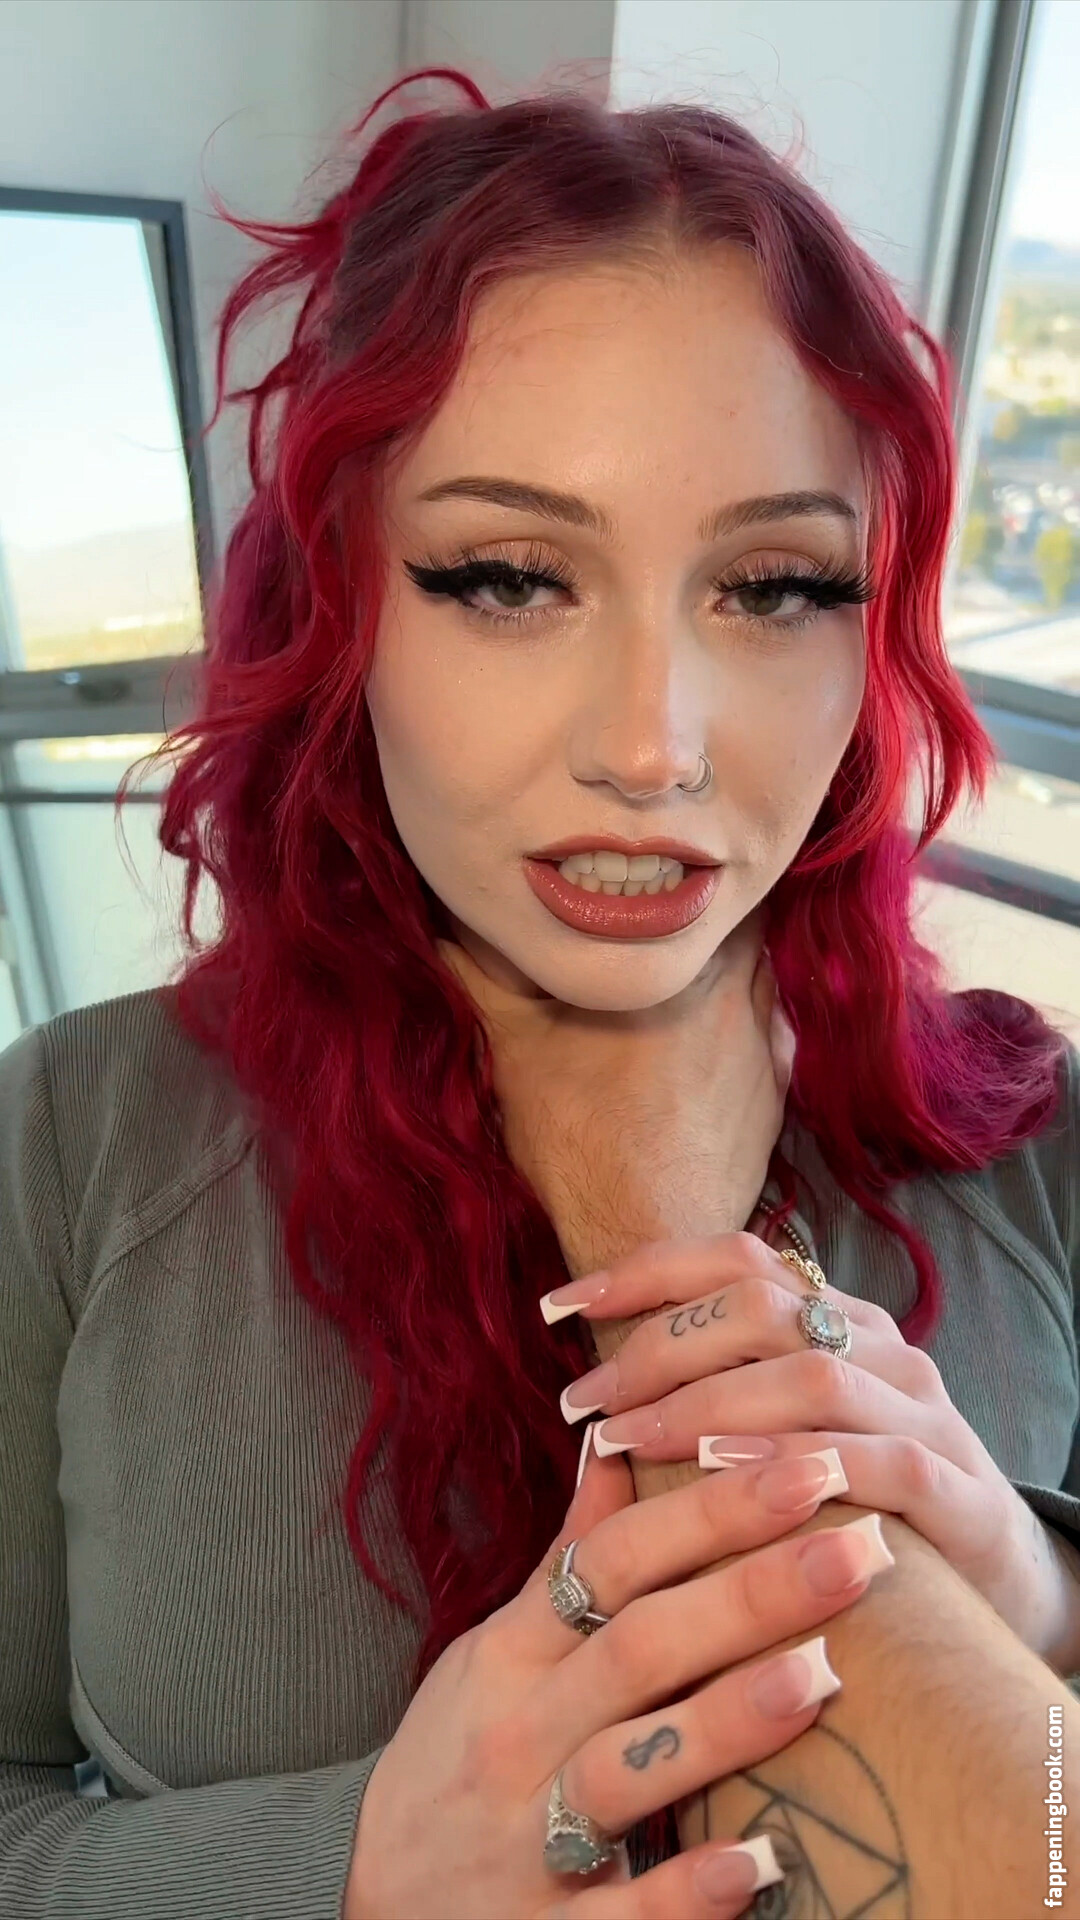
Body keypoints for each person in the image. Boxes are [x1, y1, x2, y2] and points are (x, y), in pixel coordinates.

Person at [2, 62, 1079, 1920]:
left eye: (774, 586)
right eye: (507, 578)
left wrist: (1046, 1604)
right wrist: (336, 1874)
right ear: (339, 606)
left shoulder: (1039, 1147)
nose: (655, 747)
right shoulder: (71, 1148)